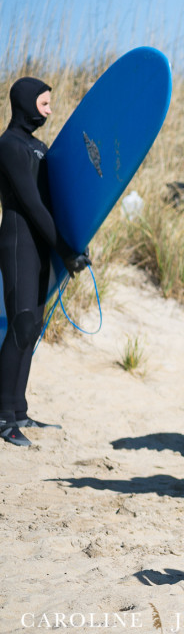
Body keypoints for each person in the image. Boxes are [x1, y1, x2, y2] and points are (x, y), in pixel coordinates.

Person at [0, 78, 88, 447]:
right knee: (19, 325)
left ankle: (19, 409)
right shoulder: (9, 146)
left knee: (33, 327)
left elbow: (57, 202)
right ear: (24, 103)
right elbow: (33, 206)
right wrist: (66, 250)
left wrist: (73, 240)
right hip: (19, 242)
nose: (49, 111)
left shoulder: (39, 147)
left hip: (41, 247)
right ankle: (4, 417)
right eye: (45, 104)